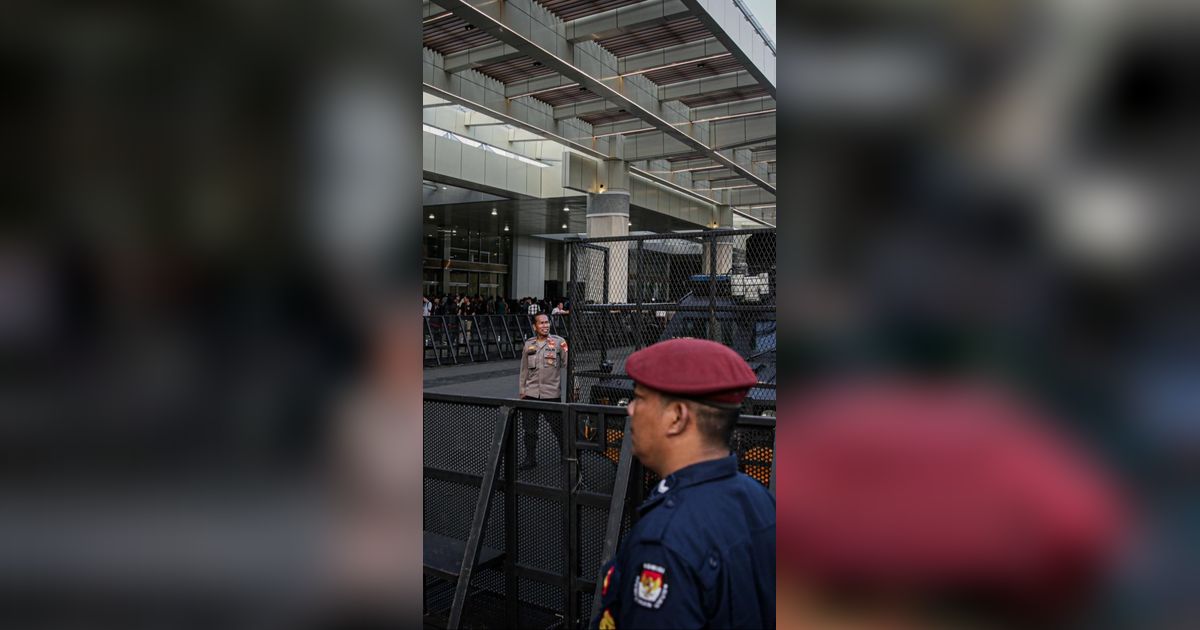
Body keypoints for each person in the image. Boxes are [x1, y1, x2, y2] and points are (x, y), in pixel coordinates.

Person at [592, 338, 774, 629]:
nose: (630, 410)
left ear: (676, 417)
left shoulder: (664, 542)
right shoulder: (761, 501)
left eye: (639, 398)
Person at [517, 312, 568, 469]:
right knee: (529, 430)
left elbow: (569, 366)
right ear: (534, 326)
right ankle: (530, 459)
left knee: (559, 429)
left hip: (551, 394)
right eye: (541, 323)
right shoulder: (528, 344)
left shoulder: (559, 343)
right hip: (531, 394)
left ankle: (566, 458)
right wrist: (522, 390)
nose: (545, 325)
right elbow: (524, 370)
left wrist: (576, 385)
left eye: (547, 322)